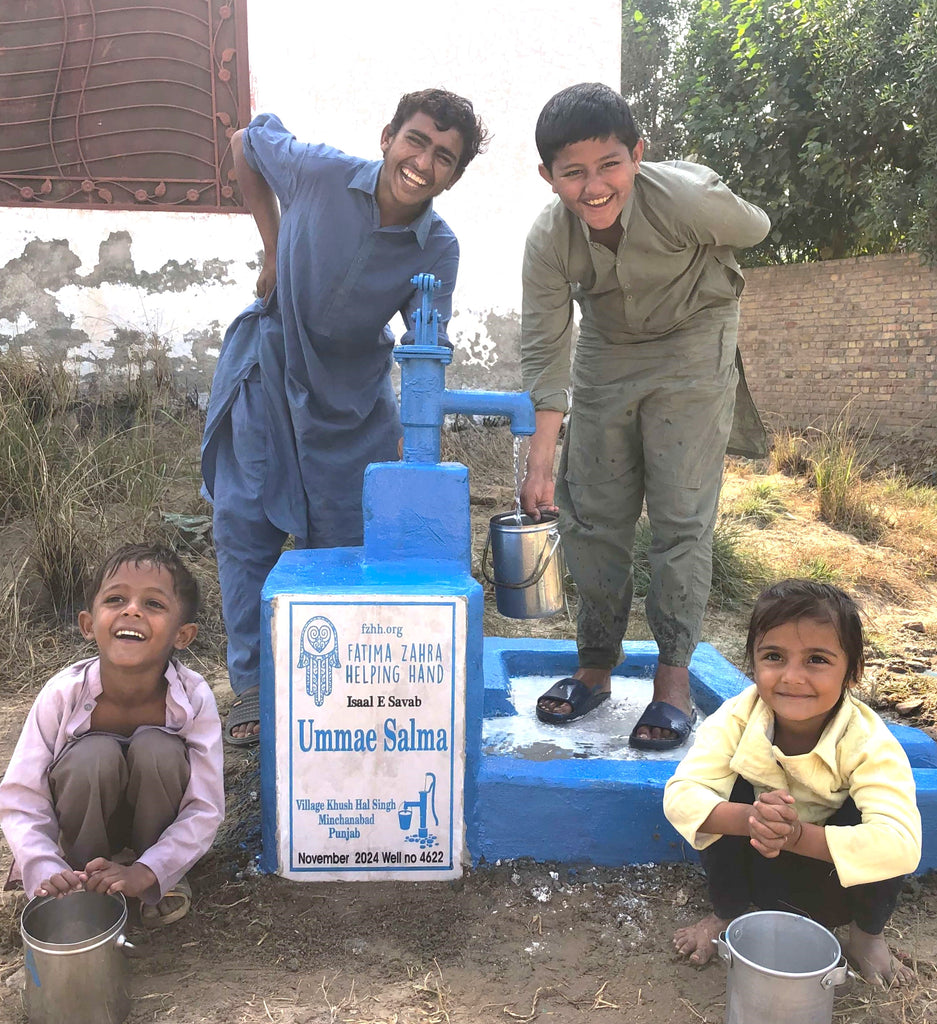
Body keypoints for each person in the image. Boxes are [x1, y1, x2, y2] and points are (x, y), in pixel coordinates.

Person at [201, 89, 488, 746]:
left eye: (444, 156)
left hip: (352, 397)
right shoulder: (318, 171)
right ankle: (250, 686)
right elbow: (246, 142)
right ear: (388, 136)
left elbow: (425, 335)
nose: (423, 161)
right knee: (245, 524)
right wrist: (273, 249)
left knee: (345, 538)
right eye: (416, 140)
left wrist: (415, 421)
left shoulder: (436, 248)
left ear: (453, 175)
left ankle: (330, 688)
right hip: (271, 365)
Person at [519, 83, 770, 748]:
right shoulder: (548, 239)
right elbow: (544, 348)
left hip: (693, 339)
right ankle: (595, 668)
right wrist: (540, 461)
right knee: (592, 512)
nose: (593, 187)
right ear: (547, 177)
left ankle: (671, 681)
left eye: (609, 165)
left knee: (679, 514)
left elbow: (755, 227)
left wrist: (702, 234)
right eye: (572, 173)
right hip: (606, 345)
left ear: (636, 154)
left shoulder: (684, 198)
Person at [664, 579, 921, 986]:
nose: (792, 677)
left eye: (817, 659)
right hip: (757, 866)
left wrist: (796, 835)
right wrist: (750, 819)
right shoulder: (738, 717)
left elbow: (903, 845)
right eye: (774, 656)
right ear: (753, 664)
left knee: (881, 833)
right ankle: (727, 913)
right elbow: (680, 794)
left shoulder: (868, 741)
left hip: (831, 883)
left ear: (851, 672)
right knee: (721, 791)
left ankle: (866, 937)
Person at [0, 544, 224, 928]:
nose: (132, 610)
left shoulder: (193, 696)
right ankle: (79, 886)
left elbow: (205, 806)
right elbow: (23, 796)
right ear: (89, 624)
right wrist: (44, 866)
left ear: (182, 635)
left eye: (153, 604)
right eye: (116, 598)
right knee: (94, 755)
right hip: (82, 838)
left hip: (155, 841)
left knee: (158, 750)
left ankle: (159, 880)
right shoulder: (62, 694)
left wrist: (151, 868)